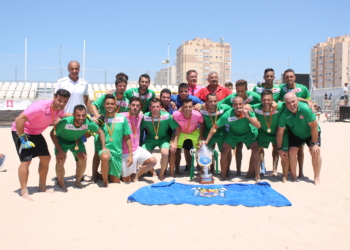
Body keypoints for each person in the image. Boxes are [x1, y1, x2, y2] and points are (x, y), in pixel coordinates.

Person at [12, 89, 70, 201]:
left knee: (46, 158)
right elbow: (19, 120)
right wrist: (23, 139)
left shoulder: (59, 109)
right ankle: (24, 191)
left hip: (36, 133)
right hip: (22, 131)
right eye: (60, 100)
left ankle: (42, 187)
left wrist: (85, 116)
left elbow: (64, 115)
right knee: (26, 161)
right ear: (54, 97)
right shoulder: (40, 107)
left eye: (65, 101)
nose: (62, 103)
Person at [50, 105, 107, 190]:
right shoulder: (65, 122)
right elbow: (52, 134)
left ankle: (78, 181)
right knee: (60, 160)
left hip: (76, 141)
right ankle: (61, 182)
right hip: (62, 141)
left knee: (83, 158)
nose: (81, 118)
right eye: (78, 115)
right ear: (73, 115)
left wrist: (104, 147)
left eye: (83, 115)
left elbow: (100, 132)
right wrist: (59, 149)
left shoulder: (87, 123)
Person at [205, 96, 261, 181]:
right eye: (236, 104)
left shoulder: (248, 112)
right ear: (233, 105)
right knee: (224, 152)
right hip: (233, 134)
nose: (238, 106)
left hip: (247, 134)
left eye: (240, 104)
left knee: (256, 151)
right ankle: (223, 176)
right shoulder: (227, 114)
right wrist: (207, 140)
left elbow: (258, 125)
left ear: (243, 104)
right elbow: (214, 127)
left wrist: (247, 116)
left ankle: (257, 176)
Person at [276, 92, 322, 185]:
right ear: (285, 104)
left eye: (293, 101)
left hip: (311, 132)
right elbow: (280, 132)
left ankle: (316, 177)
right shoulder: (284, 114)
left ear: (297, 100)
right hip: (296, 133)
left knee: (315, 152)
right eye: (288, 103)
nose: (291, 104)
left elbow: (314, 126)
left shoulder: (305, 109)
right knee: (292, 151)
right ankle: (294, 176)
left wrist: (315, 144)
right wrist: (279, 149)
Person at [90, 77, 129, 182]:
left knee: (115, 151)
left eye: (124, 85)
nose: (122, 87)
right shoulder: (107, 96)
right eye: (120, 85)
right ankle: (94, 175)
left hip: (117, 126)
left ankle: (111, 173)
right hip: (104, 124)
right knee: (98, 152)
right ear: (116, 86)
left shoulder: (126, 99)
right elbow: (93, 105)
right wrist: (98, 116)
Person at [219, 79, 261, 175]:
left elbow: (265, 101)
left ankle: (256, 171)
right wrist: (202, 105)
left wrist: (251, 105)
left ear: (247, 89)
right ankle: (236, 171)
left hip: (250, 125)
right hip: (236, 125)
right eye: (238, 91)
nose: (240, 93)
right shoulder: (232, 97)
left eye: (242, 91)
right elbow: (219, 104)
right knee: (238, 147)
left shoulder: (253, 95)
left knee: (257, 148)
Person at [279, 69, 312, 178]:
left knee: (301, 149)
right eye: (287, 77)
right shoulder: (281, 88)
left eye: (291, 76)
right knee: (289, 148)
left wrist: (307, 101)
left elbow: (309, 101)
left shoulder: (303, 88)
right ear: (284, 78)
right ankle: (289, 171)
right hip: (287, 121)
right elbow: (271, 91)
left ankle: (300, 171)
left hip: (300, 119)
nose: (289, 79)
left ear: (295, 77)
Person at [251, 90, 289, 182]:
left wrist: (308, 101)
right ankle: (255, 175)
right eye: (264, 100)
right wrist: (247, 106)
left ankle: (284, 176)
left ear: (272, 100)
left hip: (277, 133)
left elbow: (292, 100)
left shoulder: (279, 106)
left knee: (283, 152)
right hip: (263, 133)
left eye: (268, 100)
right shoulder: (256, 107)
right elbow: (247, 106)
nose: (266, 102)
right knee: (255, 151)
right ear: (260, 100)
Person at [96, 94, 133, 185]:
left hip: (117, 152)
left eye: (112, 104)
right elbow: (90, 134)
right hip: (105, 150)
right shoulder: (101, 119)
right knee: (105, 157)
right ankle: (105, 183)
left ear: (115, 105)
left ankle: (102, 175)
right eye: (107, 104)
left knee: (116, 181)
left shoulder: (122, 118)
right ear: (104, 104)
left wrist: (130, 155)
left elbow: (127, 138)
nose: (110, 106)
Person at [120, 97, 157, 183]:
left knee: (153, 161)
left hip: (137, 149)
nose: (135, 107)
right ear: (129, 105)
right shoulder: (122, 116)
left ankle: (137, 175)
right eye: (133, 105)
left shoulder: (141, 116)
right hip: (125, 152)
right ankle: (127, 173)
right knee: (126, 180)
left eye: (137, 105)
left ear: (140, 107)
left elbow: (154, 114)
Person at [141, 98, 179, 180]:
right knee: (144, 153)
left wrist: (174, 142)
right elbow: (138, 128)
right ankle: (152, 171)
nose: (155, 109)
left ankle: (161, 173)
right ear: (150, 108)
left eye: (157, 106)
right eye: (153, 107)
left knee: (165, 153)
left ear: (160, 107)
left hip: (164, 139)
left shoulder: (167, 115)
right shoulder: (145, 116)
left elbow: (177, 129)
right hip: (150, 140)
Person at [199, 93, 231, 172]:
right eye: (210, 101)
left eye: (215, 101)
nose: (213, 103)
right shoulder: (202, 109)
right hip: (207, 133)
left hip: (221, 133)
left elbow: (233, 109)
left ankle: (226, 170)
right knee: (207, 152)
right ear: (206, 102)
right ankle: (211, 169)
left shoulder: (224, 108)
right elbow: (193, 107)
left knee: (226, 152)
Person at [172, 98, 204, 174]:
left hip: (194, 132)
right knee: (176, 149)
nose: (188, 109)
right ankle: (177, 169)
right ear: (182, 107)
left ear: (193, 107)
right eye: (185, 107)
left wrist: (201, 136)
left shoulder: (198, 115)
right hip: (181, 132)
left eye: (190, 106)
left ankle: (200, 167)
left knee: (200, 147)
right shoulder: (176, 115)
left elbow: (202, 124)